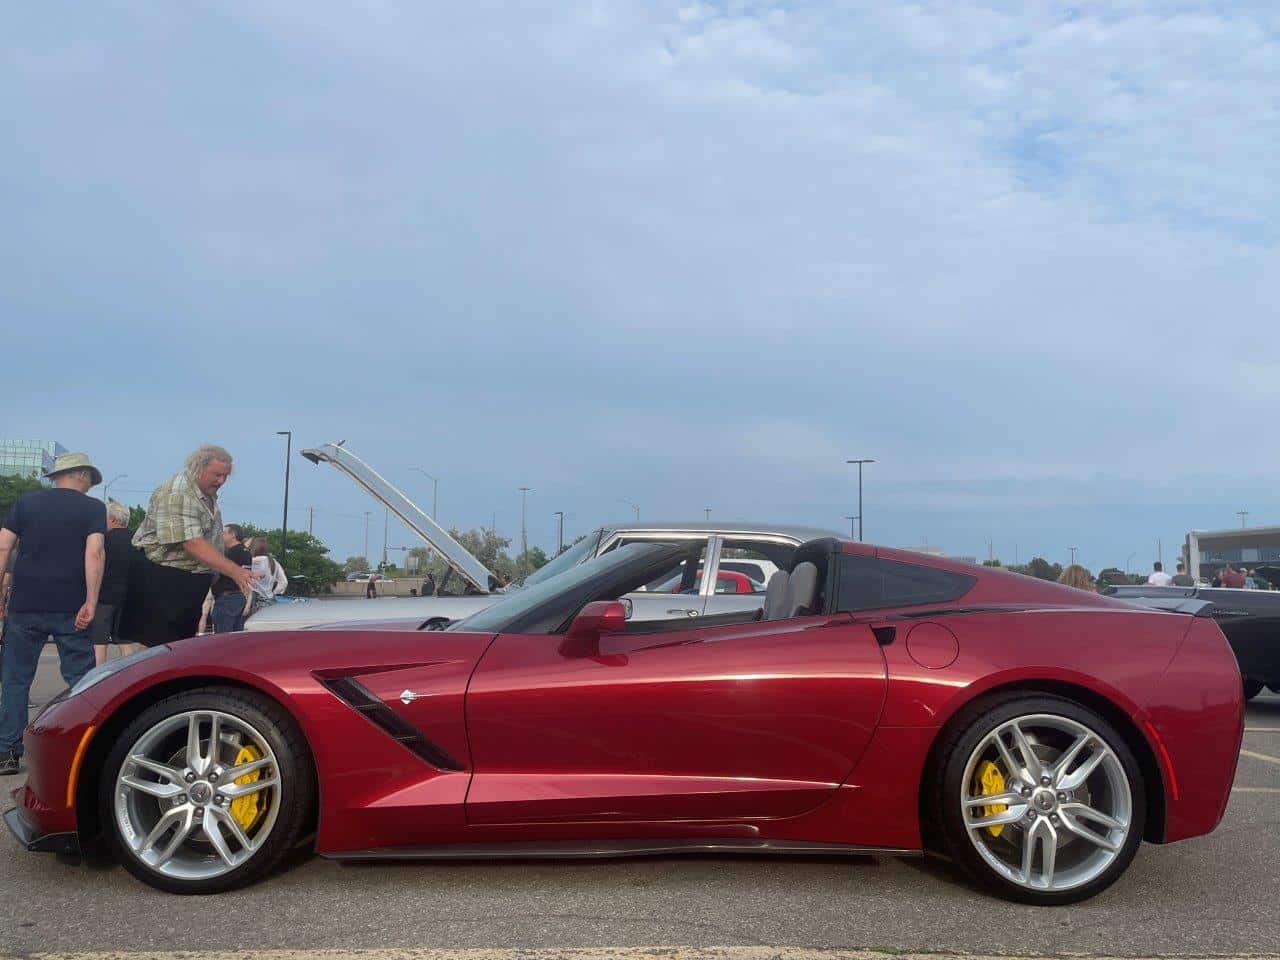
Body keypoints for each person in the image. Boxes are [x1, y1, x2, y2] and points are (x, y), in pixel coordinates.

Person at [0, 452, 107, 774]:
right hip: (71, 607)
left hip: (25, 605)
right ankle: (83, 748)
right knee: (81, 681)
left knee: (16, 681)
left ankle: (6, 751)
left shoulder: (26, 504)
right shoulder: (92, 508)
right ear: (82, 475)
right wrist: (91, 600)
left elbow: (4, 548)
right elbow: (96, 552)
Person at [119, 445, 255, 648]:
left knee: (177, 649)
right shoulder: (179, 493)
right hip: (163, 579)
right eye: (217, 474)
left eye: (225, 476)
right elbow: (192, 543)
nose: (221, 481)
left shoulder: (204, 492)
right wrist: (235, 571)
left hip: (186, 581)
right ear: (198, 467)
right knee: (157, 650)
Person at [91, 499, 137, 665]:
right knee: (125, 643)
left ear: (112, 519)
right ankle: (132, 678)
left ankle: (98, 681)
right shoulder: (137, 542)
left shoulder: (103, 540)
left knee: (99, 644)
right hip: (129, 600)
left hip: (104, 598)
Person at [210, 523, 251, 633]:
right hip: (239, 597)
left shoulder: (231, 553)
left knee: (222, 638)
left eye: (224, 533)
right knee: (235, 637)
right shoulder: (246, 552)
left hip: (227, 599)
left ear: (232, 534)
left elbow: (217, 573)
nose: (222, 536)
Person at [245, 537, 287, 619]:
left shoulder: (251, 561)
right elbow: (284, 582)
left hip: (253, 602)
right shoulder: (273, 562)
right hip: (270, 601)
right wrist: (273, 592)